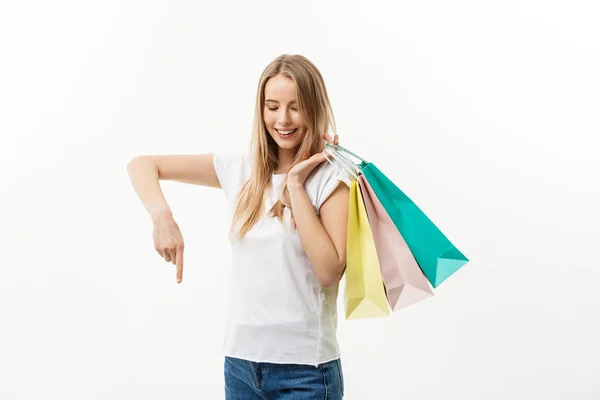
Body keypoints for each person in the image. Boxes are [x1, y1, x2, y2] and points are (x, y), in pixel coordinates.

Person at [127, 54, 352, 399]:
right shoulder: (242, 170)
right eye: (272, 107)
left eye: (296, 107)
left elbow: (329, 272)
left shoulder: (331, 180)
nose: (283, 119)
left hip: (306, 371)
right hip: (241, 365)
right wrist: (162, 217)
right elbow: (142, 164)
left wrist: (294, 185)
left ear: (314, 107)